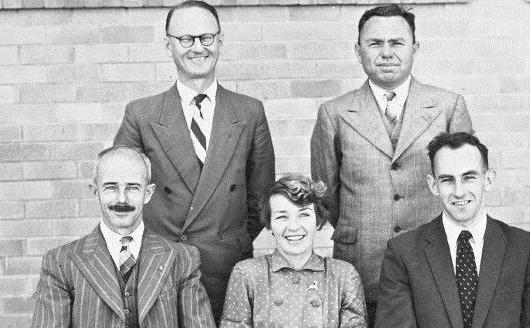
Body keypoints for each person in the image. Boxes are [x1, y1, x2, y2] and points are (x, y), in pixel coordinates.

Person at [310, 4, 473, 324]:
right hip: (363, 264)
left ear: (415, 48)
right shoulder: (335, 113)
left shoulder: (447, 106)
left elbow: (463, 186)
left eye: (396, 43)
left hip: (434, 260)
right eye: (375, 43)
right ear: (358, 51)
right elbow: (325, 194)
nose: (386, 53)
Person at [113, 0, 275, 321]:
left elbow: (261, 199)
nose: (197, 48)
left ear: (220, 41)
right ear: (168, 45)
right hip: (158, 271)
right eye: (186, 39)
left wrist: (230, 242)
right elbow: (122, 197)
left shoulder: (249, 112)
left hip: (227, 270)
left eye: (206, 38)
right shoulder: (141, 115)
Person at [374, 132, 530, 328]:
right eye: (447, 180)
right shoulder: (403, 252)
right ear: (433, 185)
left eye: (469, 177)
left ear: (487, 180)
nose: (459, 191)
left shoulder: (523, 247)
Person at [30, 146, 215, 328]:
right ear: (96, 192)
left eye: (132, 188)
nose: (121, 199)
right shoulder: (61, 262)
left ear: (148, 193)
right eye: (111, 187)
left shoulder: (182, 259)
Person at [221, 175, 367, 328]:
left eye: (303, 214)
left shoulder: (343, 276)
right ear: (269, 225)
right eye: (282, 217)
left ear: (318, 221)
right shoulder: (246, 275)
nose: (293, 226)